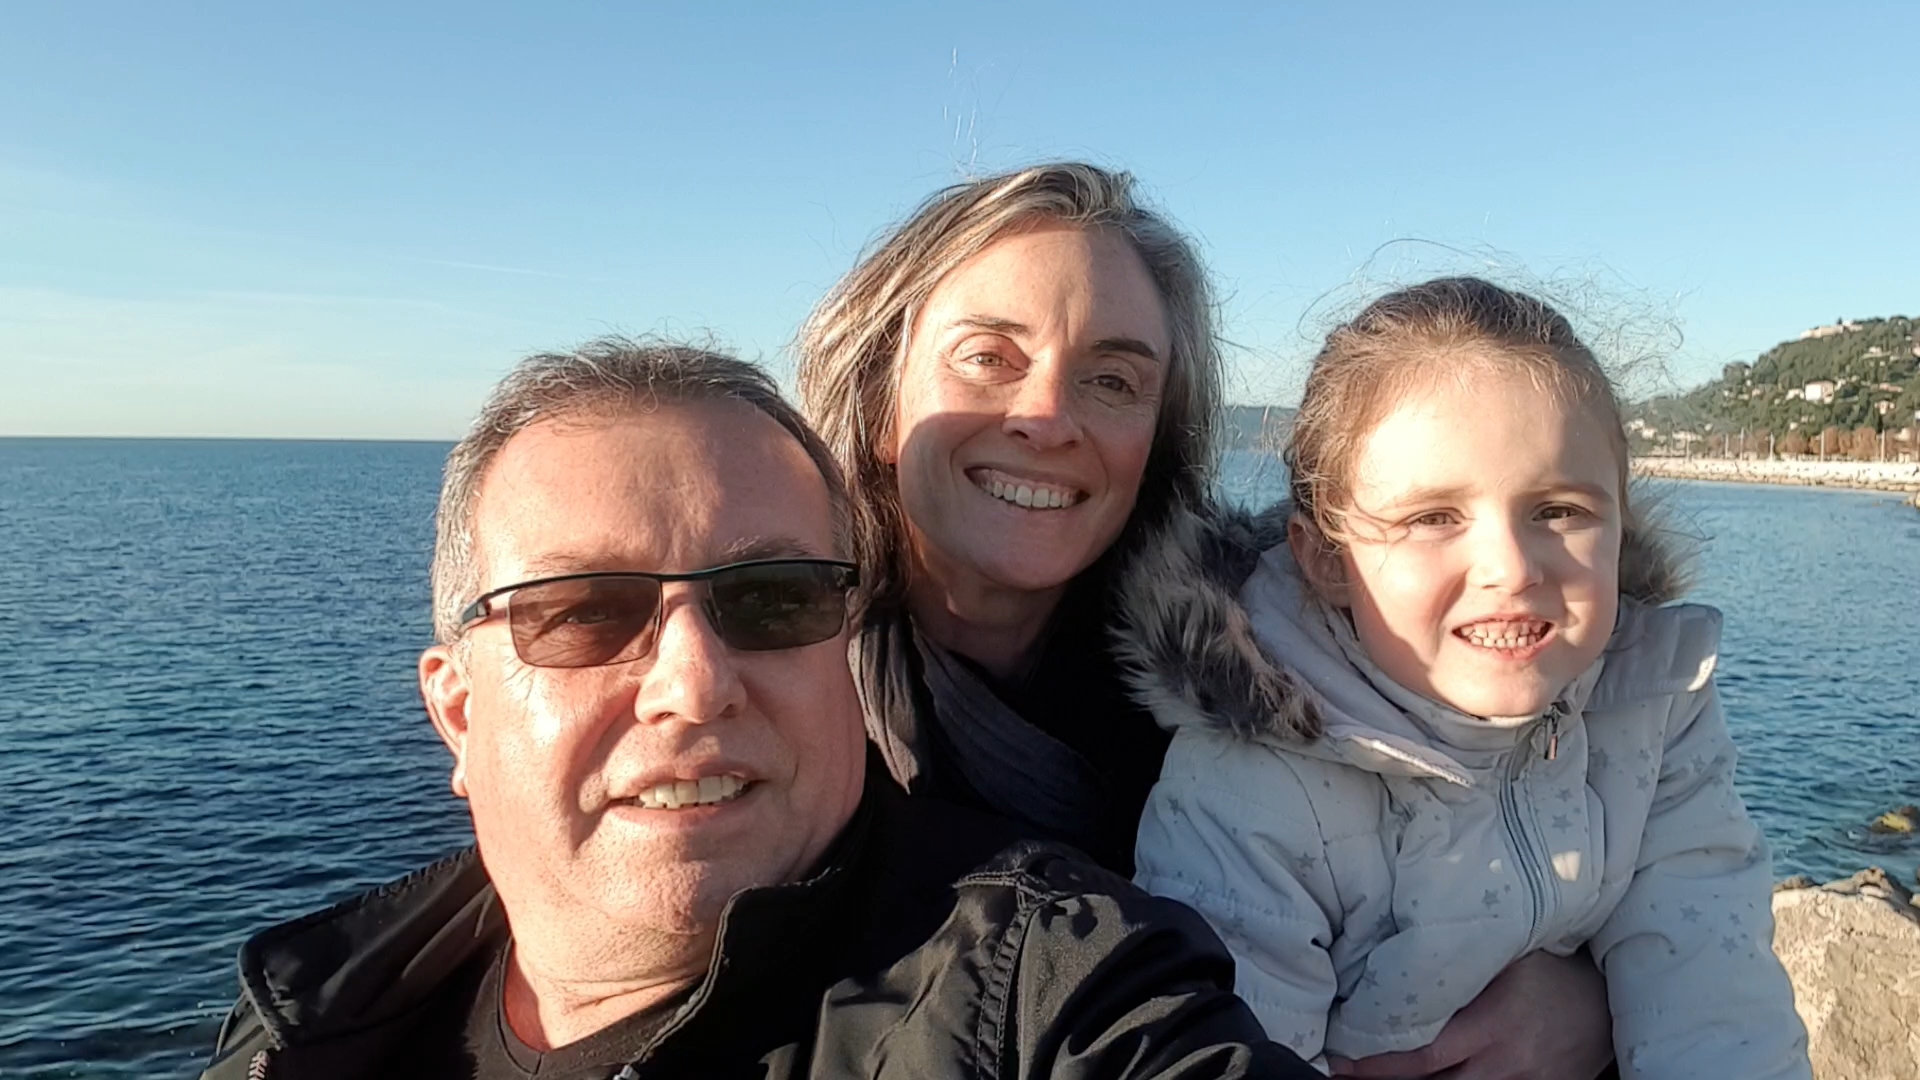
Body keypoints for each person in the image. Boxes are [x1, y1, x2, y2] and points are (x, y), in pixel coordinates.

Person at [196, 338, 1317, 1080]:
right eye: (582, 612)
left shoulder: (1050, 985)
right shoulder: (312, 1013)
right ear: (457, 711)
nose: (694, 682)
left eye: (775, 599)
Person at [799, 163, 1620, 1077]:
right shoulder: (763, 685)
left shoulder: (1275, 672)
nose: (1047, 417)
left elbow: (1528, 851)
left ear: (1158, 436)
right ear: (880, 401)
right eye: (989, 358)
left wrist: (1589, 1001)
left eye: (1113, 379)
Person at [1129, 278, 1812, 1078]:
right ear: (1328, 559)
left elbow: (1714, 995)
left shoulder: (1651, 708)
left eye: (1559, 510)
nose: (1511, 568)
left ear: (1620, 524)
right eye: (1433, 518)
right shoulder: (1250, 788)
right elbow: (1235, 1052)